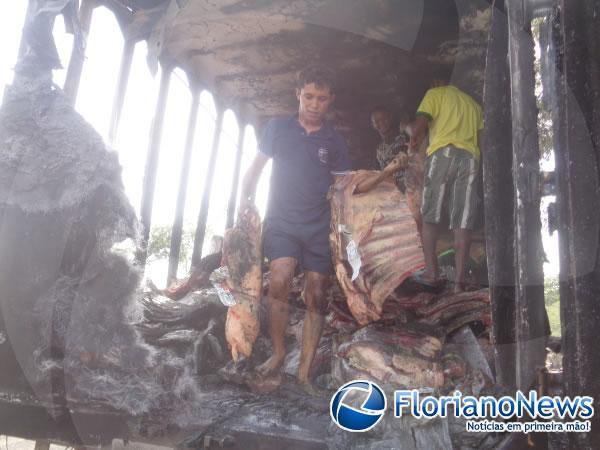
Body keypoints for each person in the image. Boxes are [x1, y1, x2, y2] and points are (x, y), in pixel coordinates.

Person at [240, 65, 404, 393]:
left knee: (316, 294)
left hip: (319, 226)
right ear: (298, 94)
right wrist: (244, 205)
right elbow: (255, 170)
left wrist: (384, 177)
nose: (315, 104)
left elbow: (345, 189)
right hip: (282, 221)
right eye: (309, 97)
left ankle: (303, 372)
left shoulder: (334, 141)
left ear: (330, 101)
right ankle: (277, 352)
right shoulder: (277, 129)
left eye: (322, 99)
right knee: (280, 279)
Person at [409, 71, 483, 293]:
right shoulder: (473, 105)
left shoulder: (435, 94)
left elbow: (417, 129)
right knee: (462, 220)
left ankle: (432, 273)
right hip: (470, 158)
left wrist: (409, 132)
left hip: (443, 154)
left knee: (429, 215)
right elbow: (482, 141)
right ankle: (459, 282)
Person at [370, 106, 409, 193]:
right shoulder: (378, 149)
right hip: (391, 192)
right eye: (377, 121)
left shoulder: (404, 137)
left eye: (384, 118)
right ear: (373, 125)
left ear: (390, 118)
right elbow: (378, 174)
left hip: (410, 187)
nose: (381, 123)